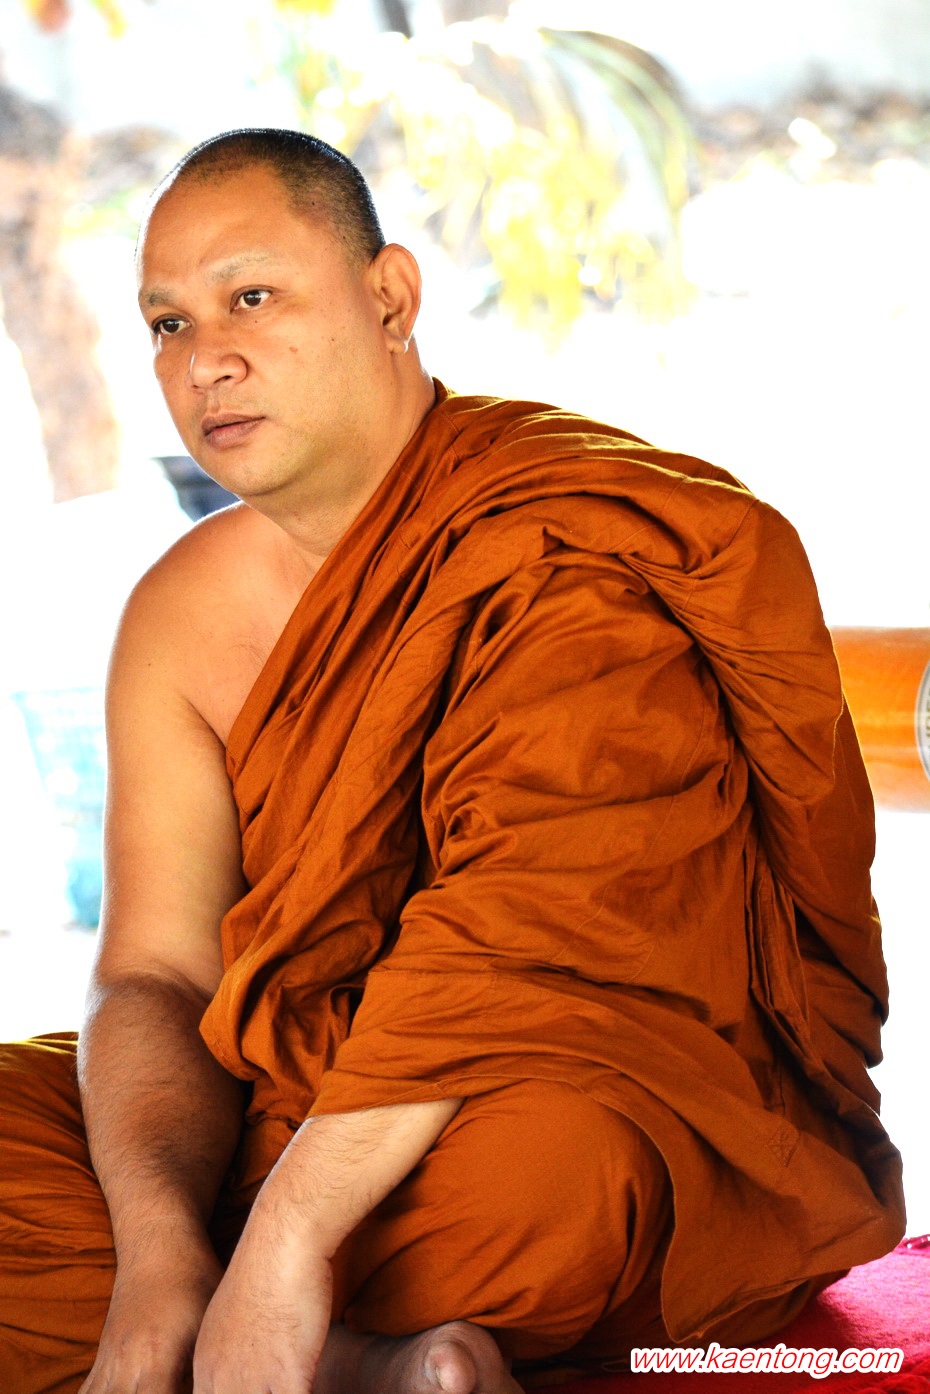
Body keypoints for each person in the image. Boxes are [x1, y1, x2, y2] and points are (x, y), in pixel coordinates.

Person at [0, 129, 905, 1394]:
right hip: (292, 1097)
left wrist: (285, 1241)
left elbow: (517, 935)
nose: (206, 359)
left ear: (390, 299)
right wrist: (158, 1251)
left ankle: (282, 1319)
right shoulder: (178, 615)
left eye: (251, 296)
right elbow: (156, 969)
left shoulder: (558, 542)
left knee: (549, 1185)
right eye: (167, 323)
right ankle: (356, 1360)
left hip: (569, 1077)